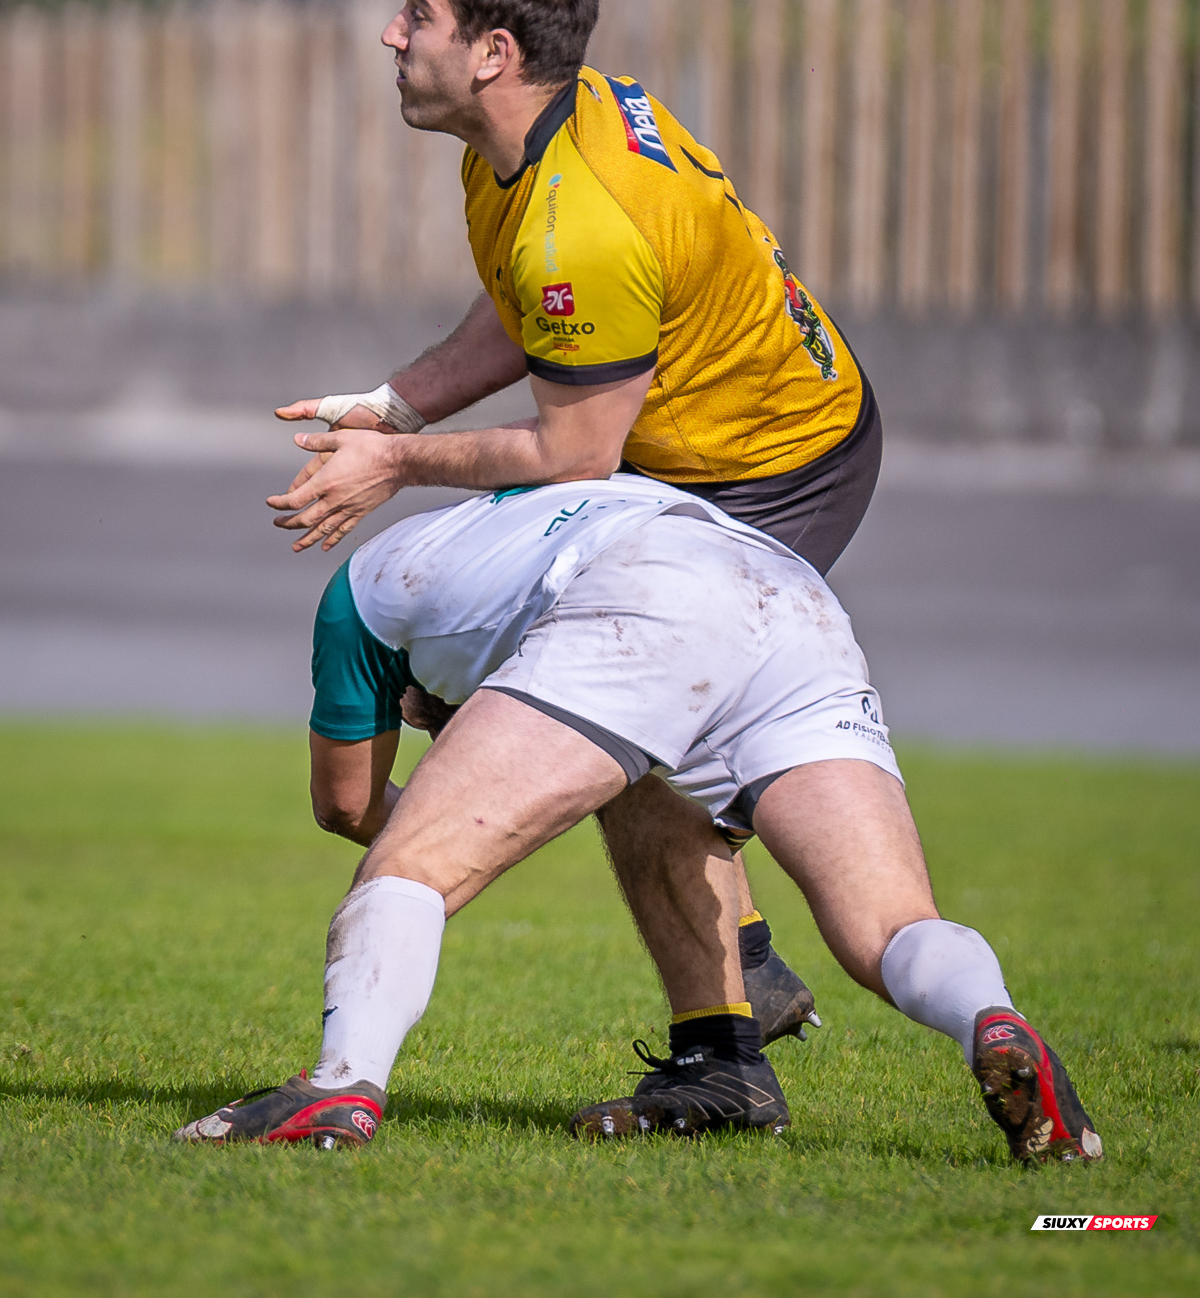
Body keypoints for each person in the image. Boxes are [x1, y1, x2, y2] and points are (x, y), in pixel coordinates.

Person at [269, 0, 881, 1041]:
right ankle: (744, 977)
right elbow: (539, 320)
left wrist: (394, 463)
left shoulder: (577, 218)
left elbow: (573, 452)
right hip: (695, 445)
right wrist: (394, 403)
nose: (391, 35)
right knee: (597, 691)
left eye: (418, 13)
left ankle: (731, 1020)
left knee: (613, 691)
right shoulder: (536, 136)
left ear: (495, 54)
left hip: (772, 464)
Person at [176, 475, 1101, 1162]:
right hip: (788, 597)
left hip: (648, 593)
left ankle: (338, 1090)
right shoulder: (490, 542)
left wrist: (459, 825)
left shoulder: (365, 597)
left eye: (432, 720)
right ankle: (987, 1019)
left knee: (409, 870)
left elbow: (346, 806)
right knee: (892, 922)